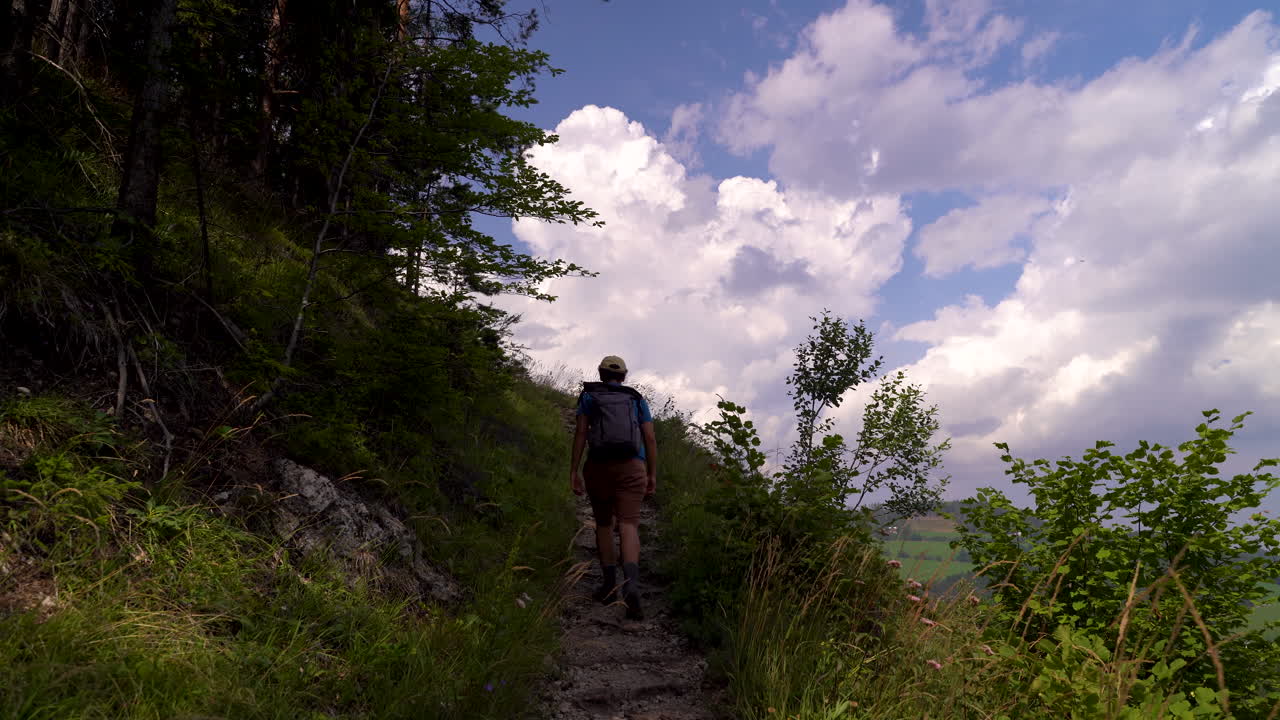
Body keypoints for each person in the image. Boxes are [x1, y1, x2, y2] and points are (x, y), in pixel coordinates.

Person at [569, 355, 657, 621]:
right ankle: (630, 584)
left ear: (600, 373)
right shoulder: (636, 399)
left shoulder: (589, 397)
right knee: (629, 524)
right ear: (624, 376)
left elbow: (582, 434)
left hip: (598, 467)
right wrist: (652, 474)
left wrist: (574, 470)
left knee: (605, 524)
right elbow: (650, 438)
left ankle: (609, 585)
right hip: (633, 467)